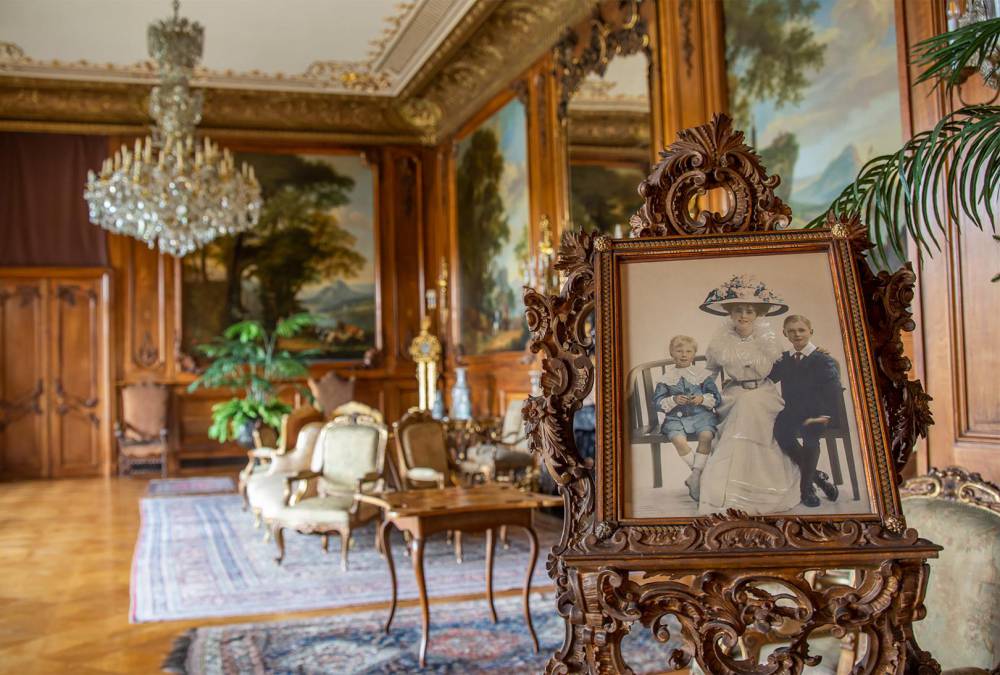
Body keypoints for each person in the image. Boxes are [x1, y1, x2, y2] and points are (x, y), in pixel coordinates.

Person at [696, 275, 801, 515]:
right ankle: (726, 491)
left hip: (764, 394)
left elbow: (788, 368)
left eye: (749, 311)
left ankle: (765, 488)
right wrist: (701, 396)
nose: (743, 315)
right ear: (730, 313)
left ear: (758, 314)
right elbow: (709, 373)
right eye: (738, 310)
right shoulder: (720, 342)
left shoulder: (768, 340)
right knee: (743, 405)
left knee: (749, 405)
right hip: (733, 395)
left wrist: (813, 352)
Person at [769, 315, 841, 507]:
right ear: (785, 334)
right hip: (792, 411)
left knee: (810, 436)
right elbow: (768, 377)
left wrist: (825, 415)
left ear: (811, 332)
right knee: (780, 433)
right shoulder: (784, 359)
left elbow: (833, 390)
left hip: (817, 413)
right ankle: (817, 477)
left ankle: (806, 490)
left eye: (801, 330)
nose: (797, 334)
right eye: (791, 331)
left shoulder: (822, 359)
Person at [651, 335, 720, 500]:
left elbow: (716, 398)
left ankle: (694, 478)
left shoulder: (702, 375)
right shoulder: (666, 378)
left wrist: (702, 399)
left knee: (706, 436)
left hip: (701, 415)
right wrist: (673, 400)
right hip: (676, 418)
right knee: (678, 439)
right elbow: (657, 403)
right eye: (679, 351)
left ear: (694, 354)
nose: (684, 354)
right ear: (671, 353)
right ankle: (699, 475)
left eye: (688, 351)